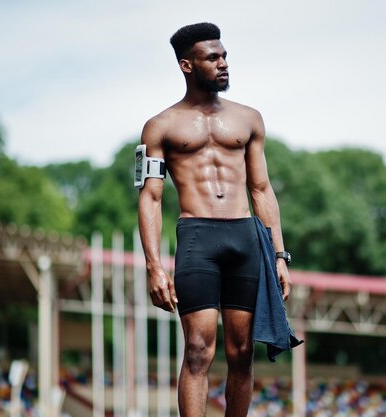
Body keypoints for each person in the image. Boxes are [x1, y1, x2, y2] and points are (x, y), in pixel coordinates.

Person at [137, 22, 292, 417]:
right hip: (197, 238)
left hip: (245, 238)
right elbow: (151, 197)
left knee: (241, 353)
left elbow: (262, 189)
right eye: (212, 58)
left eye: (224, 56)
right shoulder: (160, 126)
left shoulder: (249, 119)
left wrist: (279, 255)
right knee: (197, 350)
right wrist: (154, 266)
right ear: (187, 65)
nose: (223, 64)